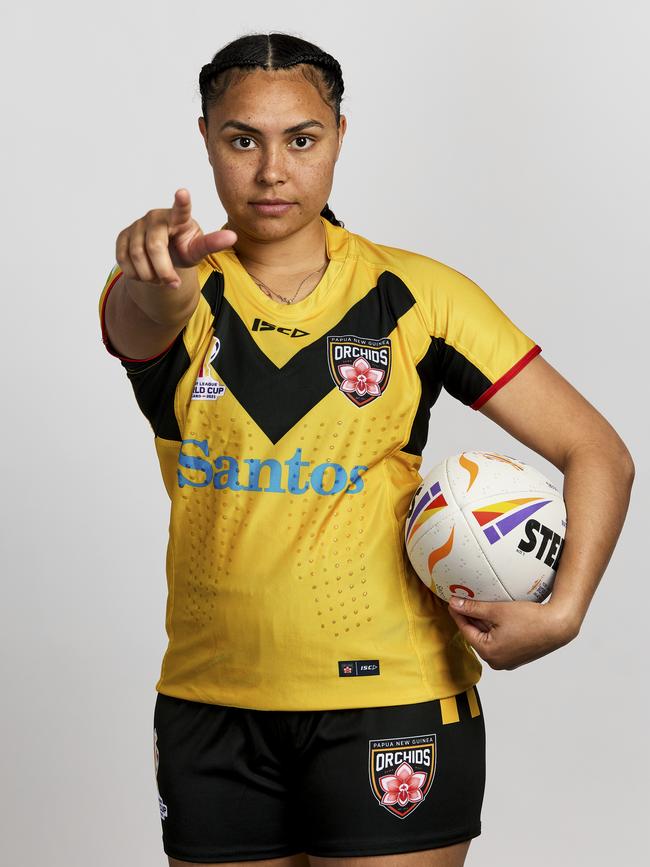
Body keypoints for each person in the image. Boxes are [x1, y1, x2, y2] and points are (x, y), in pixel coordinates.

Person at [98, 32, 634, 867]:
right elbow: (141, 316)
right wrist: (148, 271)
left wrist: (563, 611)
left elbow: (597, 449)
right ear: (204, 137)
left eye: (301, 138)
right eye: (243, 139)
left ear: (341, 136)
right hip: (210, 702)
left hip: (396, 702)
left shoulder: (417, 294)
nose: (272, 170)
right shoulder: (174, 289)